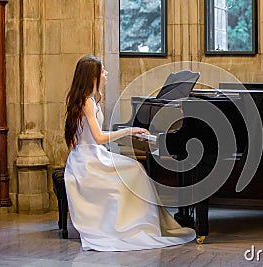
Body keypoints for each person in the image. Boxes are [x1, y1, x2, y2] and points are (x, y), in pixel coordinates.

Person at [64, 55, 196, 251]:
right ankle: (132, 226)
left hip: (90, 156)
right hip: (87, 162)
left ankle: (139, 223)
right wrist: (129, 131)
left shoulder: (89, 101)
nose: (105, 73)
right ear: (92, 76)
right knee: (135, 171)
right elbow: (99, 138)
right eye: (102, 71)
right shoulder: (87, 103)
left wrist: (131, 131)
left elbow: (93, 138)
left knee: (135, 168)